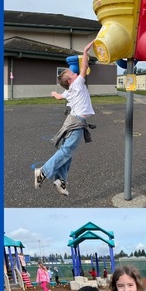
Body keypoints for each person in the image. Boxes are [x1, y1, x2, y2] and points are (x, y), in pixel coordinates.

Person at [34, 41, 95, 197]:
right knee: (67, 150)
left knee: (67, 152)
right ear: (71, 81)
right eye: (73, 74)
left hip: (72, 121)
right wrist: (86, 51)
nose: (76, 74)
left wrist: (54, 93)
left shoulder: (69, 90)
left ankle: (60, 180)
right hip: (76, 122)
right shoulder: (78, 84)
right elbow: (84, 67)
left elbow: (60, 97)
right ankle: (43, 172)